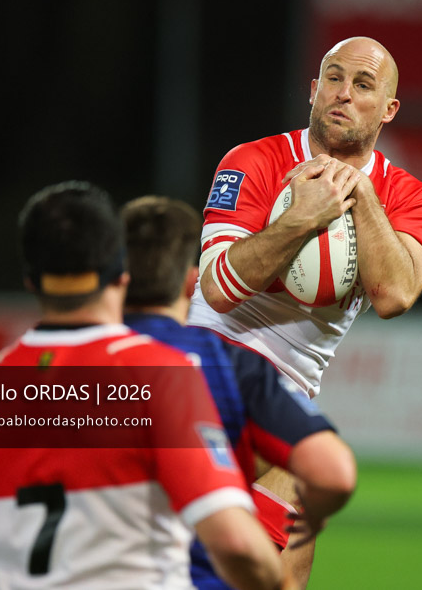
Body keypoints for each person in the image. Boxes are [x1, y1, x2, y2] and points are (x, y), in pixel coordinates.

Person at [0, 181, 288, 590]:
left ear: (31, 281)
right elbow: (236, 542)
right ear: (121, 273)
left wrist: (46, 576)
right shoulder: (162, 377)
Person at [187, 36, 422, 584]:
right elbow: (218, 290)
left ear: (389, 110)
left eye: (363, 85)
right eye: (333, 77)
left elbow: (395, 296)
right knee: (302, 475)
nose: (343, 94)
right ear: (313, 89)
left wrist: (360, 192)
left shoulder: (410, 197)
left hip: (292, 387)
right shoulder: (253, 160)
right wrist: (301, 219)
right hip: (211, 361)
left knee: (290, 570)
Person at [120, 195, 357, 590]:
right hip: (187, 573)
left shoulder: (48, 370)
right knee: (292, 470)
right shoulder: (225, 365)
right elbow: (332, 473)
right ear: (192, 282)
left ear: (115, 278)